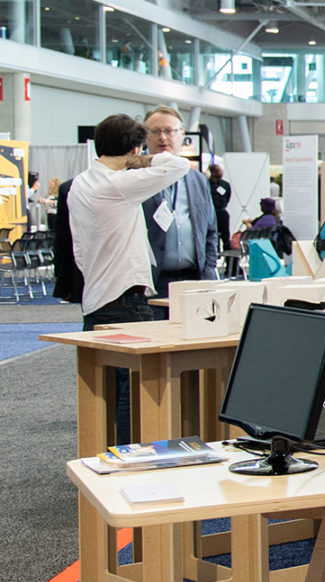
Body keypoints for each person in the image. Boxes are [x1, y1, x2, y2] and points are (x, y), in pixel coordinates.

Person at [68, 113, 190, 443]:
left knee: (101, 395)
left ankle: (103, 464)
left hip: (95, 298)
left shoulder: (80, 183)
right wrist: (142, 160)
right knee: (131, 393)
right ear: (134, 148)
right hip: (126, 302)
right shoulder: (119, 184)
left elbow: (79, 250)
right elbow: (178, 166)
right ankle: (128, 464)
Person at [140, 106, 219, 303]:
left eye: (169, 131)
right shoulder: (136, 178)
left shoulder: (198, 180)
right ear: (145, 136)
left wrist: (208, 268)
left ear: (182, 134)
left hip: (194, 279)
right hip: (153, 280)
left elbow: (210, 230)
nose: (162, 137)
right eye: (155, 131)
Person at [207, 163, 232, 245]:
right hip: (211, 213)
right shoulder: (206, 185)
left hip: (222, 212)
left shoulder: (225, 185)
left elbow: (228, 196)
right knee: (213, 235)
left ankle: (227, 254)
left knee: (225, 235)